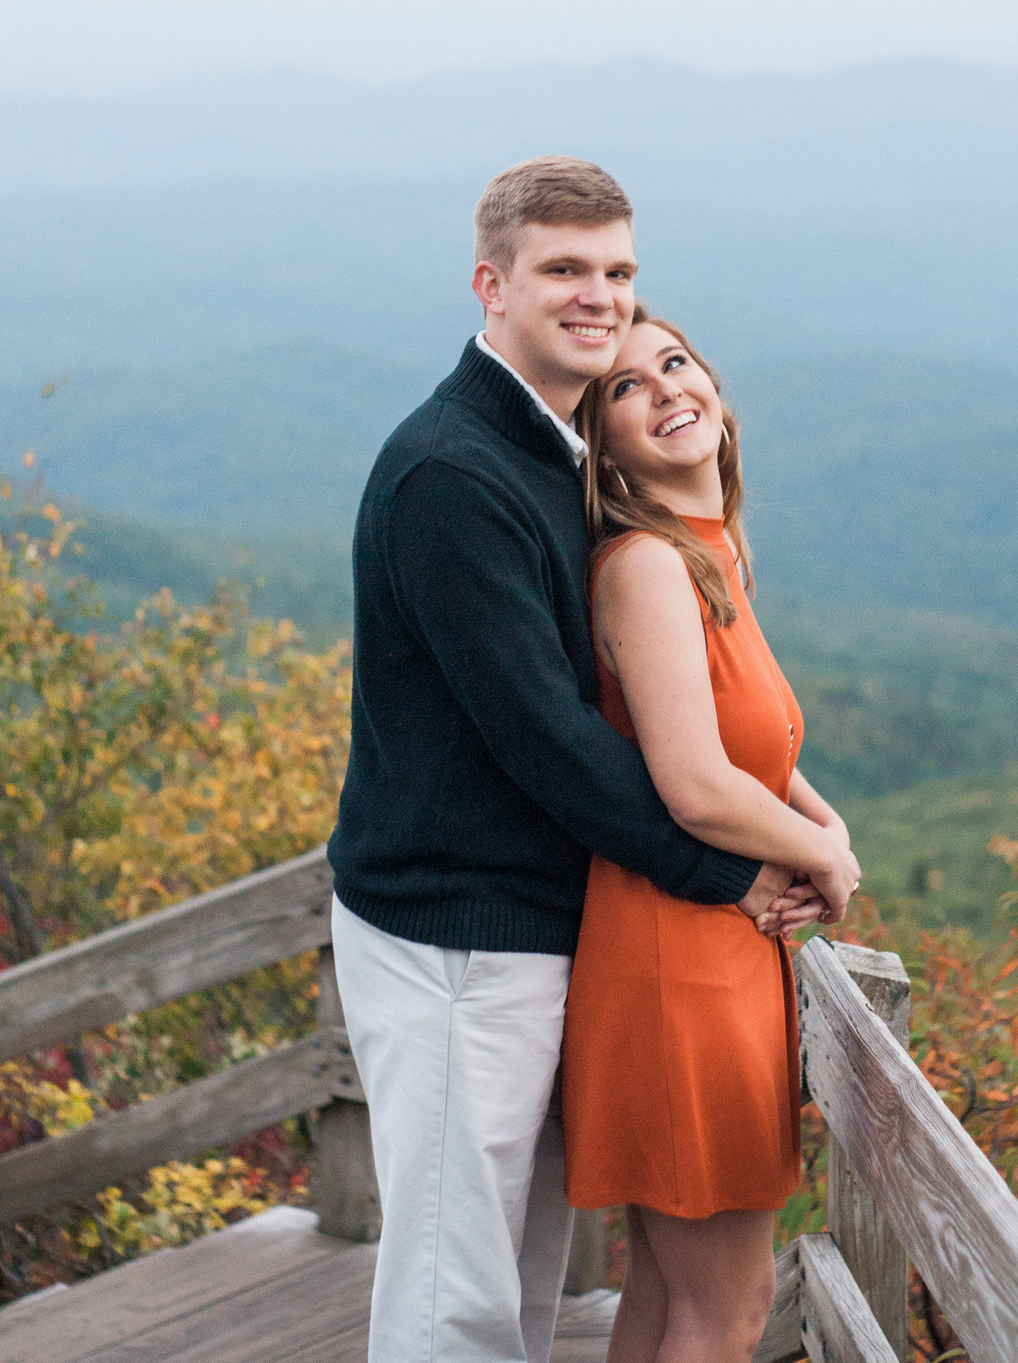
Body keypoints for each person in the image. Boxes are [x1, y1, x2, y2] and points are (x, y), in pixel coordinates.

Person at [326, 156, 815, 1363]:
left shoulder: (556, 451)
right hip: (453, 931)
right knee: (457, 1297)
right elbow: (546, 736)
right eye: (564, 271)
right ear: (492, 286)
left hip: (541, 925)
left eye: (618, 271)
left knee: (523, 1285)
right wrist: (726, 874)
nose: (599, 296)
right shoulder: (455, 472)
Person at [562, 306, 860, 1363]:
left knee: (666, 1295)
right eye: (627, 391)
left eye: (675, 364)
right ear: (607, 452)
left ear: (719, 393)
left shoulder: (710, 552)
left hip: (699, 953)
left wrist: (817, 815)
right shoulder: (646, 563)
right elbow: (692, 783)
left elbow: (741, 733)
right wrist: (825, 857)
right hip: (677, 962)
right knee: (726, 1313)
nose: (667, 391)